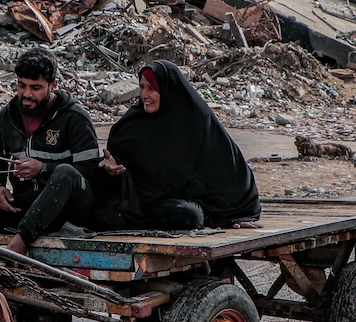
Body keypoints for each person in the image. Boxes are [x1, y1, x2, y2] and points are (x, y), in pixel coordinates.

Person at [96, 60, 261, 231]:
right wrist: (111, 169)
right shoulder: (131, 124)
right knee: (105, 214)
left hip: (171, 204)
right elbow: (118, 163)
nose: (144, 95)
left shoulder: (195, 120)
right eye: (142, 87)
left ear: (168, 89)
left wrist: (234, 213)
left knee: (188, 215)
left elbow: (227, 170)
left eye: (151, 89)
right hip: (138, 203)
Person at [0, 48, 102, 256]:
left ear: (53, 85)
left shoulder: (74, 118)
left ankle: (17, 246)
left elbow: (91, 172)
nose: (27, 94)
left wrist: (44, 169)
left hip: (72, 209)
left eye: (36, 88)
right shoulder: (7, 117)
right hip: (28, 206)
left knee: (65, 172)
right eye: (22, 86)